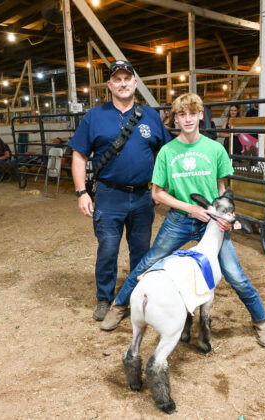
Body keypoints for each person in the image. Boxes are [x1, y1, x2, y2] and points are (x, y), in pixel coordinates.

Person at [101, 93, 265, 348]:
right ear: (175, 119)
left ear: (200, 115)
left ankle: (261, 320)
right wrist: (190, 208)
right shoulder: (167, 152)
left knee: (234, 273)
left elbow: (222, 187)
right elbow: (157, 193)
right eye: (182, 114)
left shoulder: (215, 149)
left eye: (193, 113)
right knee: (148, 263)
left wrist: (222, 217)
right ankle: (119, 305)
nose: (188, 119)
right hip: (180, 219)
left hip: (211, 222)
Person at [69, 60, 172, 322]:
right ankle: (104, 298)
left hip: (142, 196)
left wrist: (160, 187)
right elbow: (79, 156)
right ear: (110, 84)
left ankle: (137, 295)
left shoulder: (150, 116)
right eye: (117, 79)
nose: (123, 83)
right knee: (108, 249)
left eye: (127, 78)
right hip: (109, 195)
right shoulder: (94, 116)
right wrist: (81, 192)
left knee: (141, 250)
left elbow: (166, 153)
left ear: (135, 83)